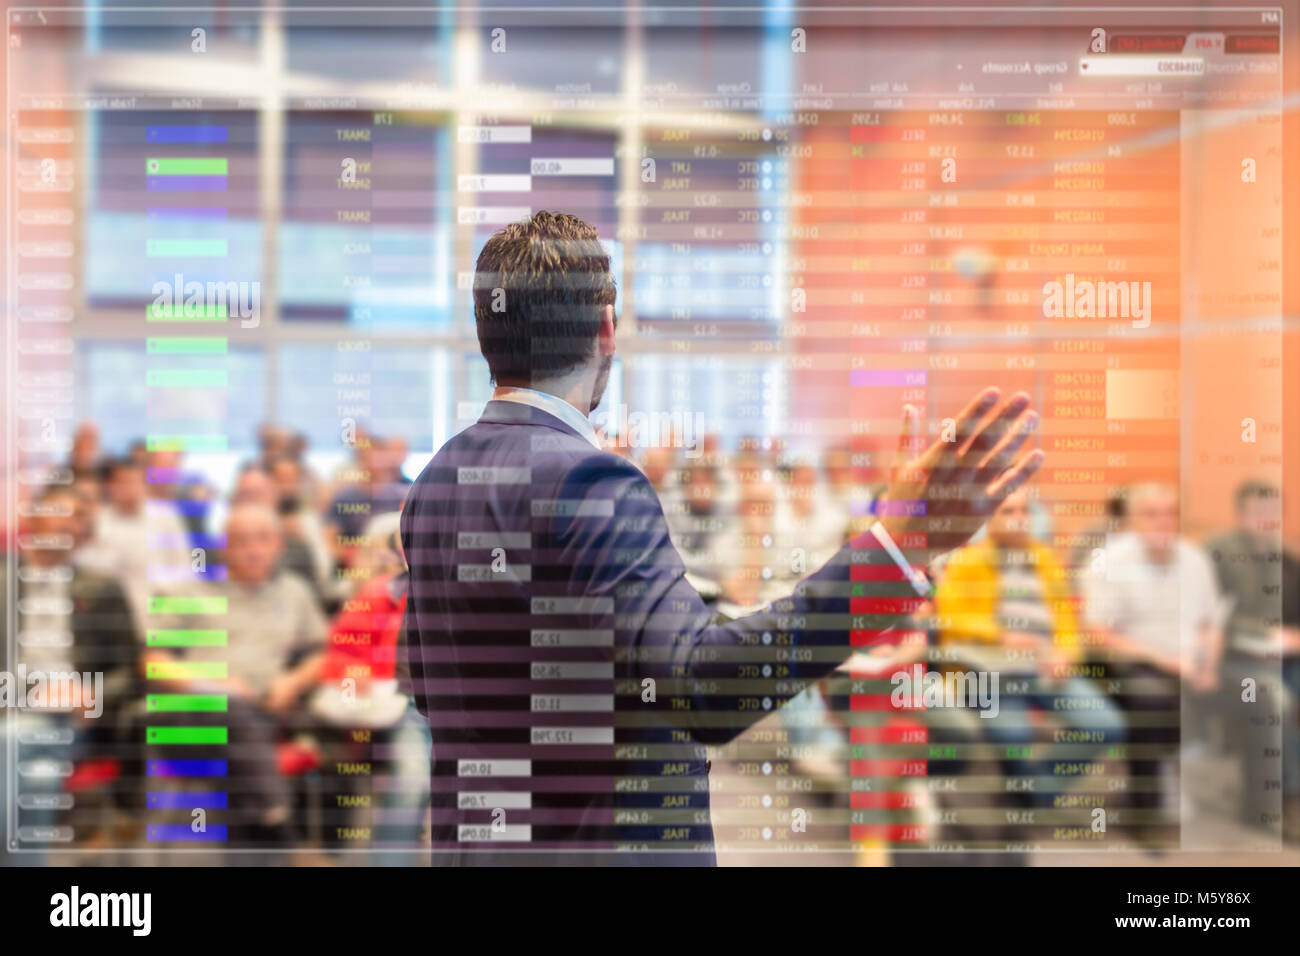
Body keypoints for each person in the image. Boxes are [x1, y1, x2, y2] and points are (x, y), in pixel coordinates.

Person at [401, 210, 1044, 865]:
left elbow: (426, 683)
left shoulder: (434, 483)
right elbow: (704, 688)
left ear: (486, 333)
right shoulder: (591, 480)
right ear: (606, 328)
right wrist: (899, 548)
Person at [147, 503, 328, 845]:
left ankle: (270, 822)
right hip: (193, 720)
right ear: (223, 546)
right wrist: (210, 685)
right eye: (241, 540)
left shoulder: (294, 592)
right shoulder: (187, 591)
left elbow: (323, 653)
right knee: (229, 712)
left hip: (264, 715)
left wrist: (292, 680)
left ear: (278, 544)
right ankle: (284, 829)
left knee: (243, 747)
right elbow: (153, 662)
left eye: (262, 539)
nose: (253, 549)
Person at [932, 488, 1124, 808]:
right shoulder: (968, 561)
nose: (1019, 519)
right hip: (988, 672)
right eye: (1008, 512)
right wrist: (1001, 636)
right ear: (988, 520)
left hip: (1044, 666)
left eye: (1024, 511)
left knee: (1105, 724)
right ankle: (1024, 793)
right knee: (1013, 736)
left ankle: (1036, 792)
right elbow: (949, 616)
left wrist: (1066, 653)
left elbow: (1065, 616)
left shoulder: (1044, 558)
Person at [1, 485, 138, 863]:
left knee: (14, 738)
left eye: (79, 517)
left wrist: (89, 693)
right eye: (59, 511)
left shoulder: (102, 588)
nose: (69, 523)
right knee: (39, 776)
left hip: (72, 722)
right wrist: (25, 694)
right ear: (31, 520)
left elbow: (132, 670)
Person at [1207, 480, 1300, 836]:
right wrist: (1266, 634)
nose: (1268, 519)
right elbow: (1208, 615)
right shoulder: (1217, 552)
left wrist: (1289, 639)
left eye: (1274, 512)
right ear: (1241, 515)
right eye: (1259, 512)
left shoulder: (1287, 561)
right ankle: (1281, 801)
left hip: (1285, 659)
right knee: (1277, 700)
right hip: (1232, 660)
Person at [75, 456, 193, 632]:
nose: (130, 489)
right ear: (110, 485)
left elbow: (184, 565)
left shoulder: (166, 516)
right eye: (124, 482)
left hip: (159, 615)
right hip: (110, 618)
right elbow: (81, 566)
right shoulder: (97, 520)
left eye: (136, 482)